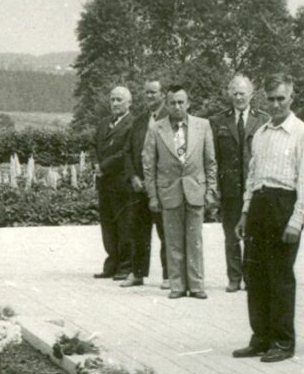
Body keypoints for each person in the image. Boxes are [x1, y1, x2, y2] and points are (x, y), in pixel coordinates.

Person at [231, 74, 304, 363]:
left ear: (291, 98)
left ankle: (282, 341)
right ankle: (261, 338)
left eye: (281, 98)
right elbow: (253, 176)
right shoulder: (261, 134)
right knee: (255, 275)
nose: (276, 104)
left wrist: (297, 221)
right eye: (271, 99)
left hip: (284, 206)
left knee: (280, 276)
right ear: (264, 100)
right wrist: (245, 212)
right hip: (258, 205)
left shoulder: (302, 133)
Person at [141, 84, 217, 299]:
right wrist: (153, 196)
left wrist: (211, 189)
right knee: (173, 240)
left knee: (195, 240)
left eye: (181, 102)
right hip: (169, 192)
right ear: (167, 103)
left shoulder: (203, 126)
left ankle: (197, 285)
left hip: (195, 190)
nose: (177, 106)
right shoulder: (156, 129)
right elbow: (148, 165)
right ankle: (177, 285)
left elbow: (211, 162)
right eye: (173, 102)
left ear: (188, 103)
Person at [210, 75, 269, 293]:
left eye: (242, 93)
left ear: (251, 95)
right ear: (229, 95)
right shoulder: (217, 122)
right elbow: (213, 158)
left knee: (253, 235)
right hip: (230, 189)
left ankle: (251, 277)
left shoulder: (263, 120)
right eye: (234, 93)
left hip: (254, 189)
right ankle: (234, 278)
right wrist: (214, 188)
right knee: (231, 235)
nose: (238, 97)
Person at [123, 79, 169, 288]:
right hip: (138, 186)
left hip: (161, 186)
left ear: (163, 95)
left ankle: (169, 275)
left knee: (165, 231)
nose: (149, 96)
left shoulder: (171, 118)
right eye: (147, 93)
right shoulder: (139, 121)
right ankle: (137, 272)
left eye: (153, 93)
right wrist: (133, 176)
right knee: (138, 231)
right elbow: (127, 151)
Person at [93, 86, 135, 280]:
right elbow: (94, 145)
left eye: (119, 100)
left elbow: (125, 152)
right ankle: (112, 262)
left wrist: (104, 166)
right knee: (107, 225)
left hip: (121, 184)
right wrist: (96, 163)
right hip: (104, 183)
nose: (115, 103)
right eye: (113, 100)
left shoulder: (132, 124)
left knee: (125, 225)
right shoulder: (103, 124)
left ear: (129, 103)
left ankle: (126, 266)